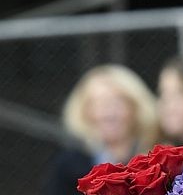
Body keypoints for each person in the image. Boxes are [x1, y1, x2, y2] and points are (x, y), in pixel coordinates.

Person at [44, 64, 159, 195]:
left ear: (135, 107)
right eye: (99, 104)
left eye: (118, 102)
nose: (109, 112)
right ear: (84, 112)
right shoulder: (67, 167)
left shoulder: (158, 159)